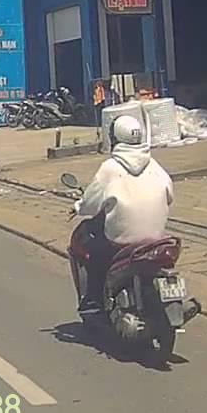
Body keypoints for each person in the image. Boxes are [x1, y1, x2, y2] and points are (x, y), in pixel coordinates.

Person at [73, 114, 174, 313]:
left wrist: (78, 207)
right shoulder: (155, 165)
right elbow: (170, 196)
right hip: (156, 240)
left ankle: (94, 301)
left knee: (91, 249)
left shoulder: (110, 168)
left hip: (121, 242)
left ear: (114, 138)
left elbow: (90, 205)